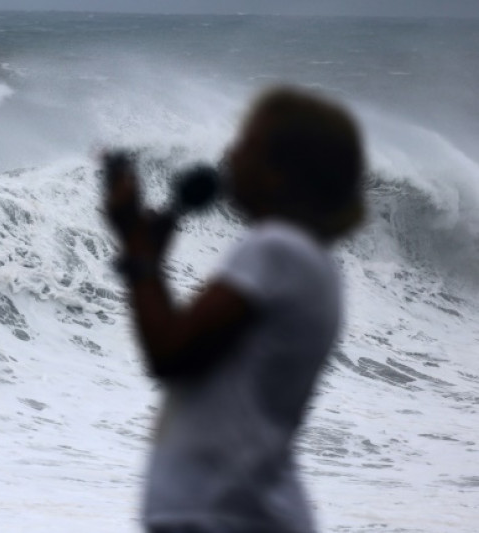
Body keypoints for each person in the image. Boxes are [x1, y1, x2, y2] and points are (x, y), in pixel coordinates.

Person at [102, 86, 366, 533]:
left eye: (245, 144)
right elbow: (192, 359)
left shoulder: (274, 249)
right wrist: (149, 262)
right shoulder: (312, 261)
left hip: (226, 510)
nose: (229, 153)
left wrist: (136, 244)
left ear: (280, 173)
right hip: (240, 507)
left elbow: (168, 354)